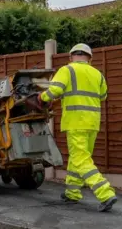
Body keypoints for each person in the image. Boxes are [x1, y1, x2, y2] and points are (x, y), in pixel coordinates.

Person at [37, 43, 117, 212]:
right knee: (77, 157)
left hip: (75, 121)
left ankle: (105, 193)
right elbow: (103, 96)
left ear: (71, 56)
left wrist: (42, 97)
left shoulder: (67, 70)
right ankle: (72, 193)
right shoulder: (98, 74)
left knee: (81, 159)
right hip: (93, 123)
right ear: (90, 58)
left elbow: (54, 90)